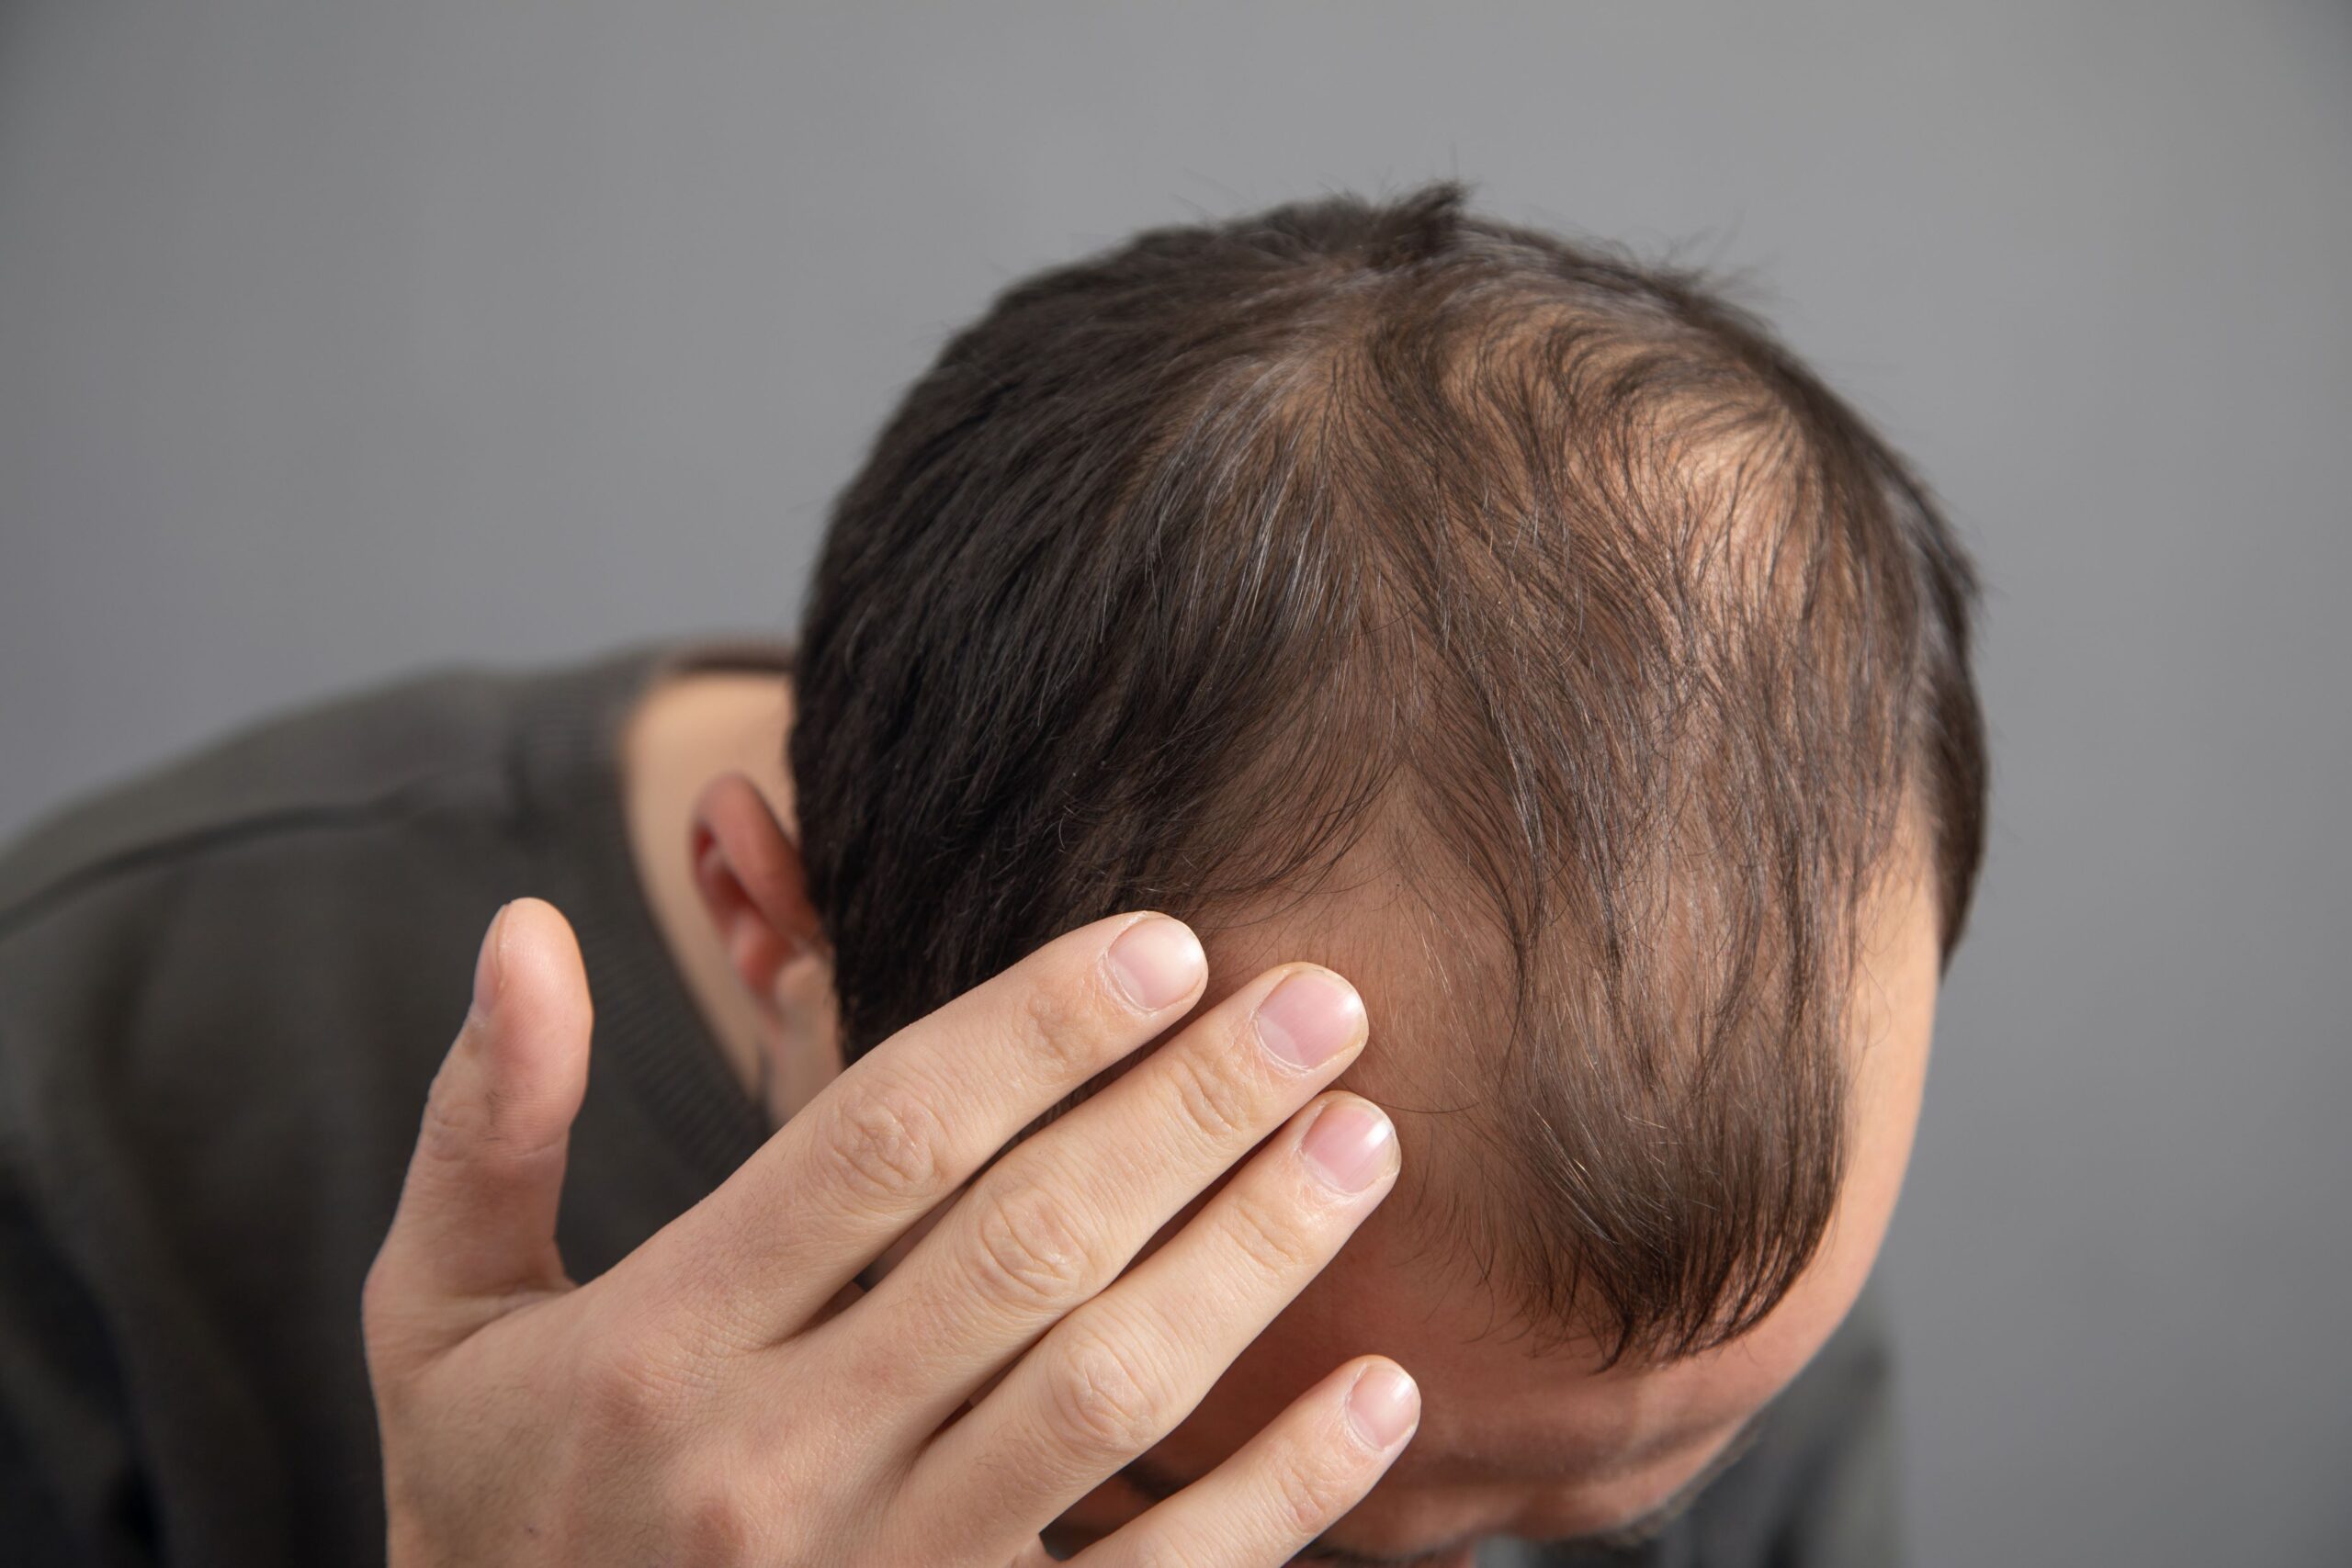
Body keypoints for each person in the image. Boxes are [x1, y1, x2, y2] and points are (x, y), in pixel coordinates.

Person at [0, 183, 1987, 1566]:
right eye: (1195, 1479)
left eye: (1617, 1497)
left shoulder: (1688, 1251)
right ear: (780, 932)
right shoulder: (86, 1124)